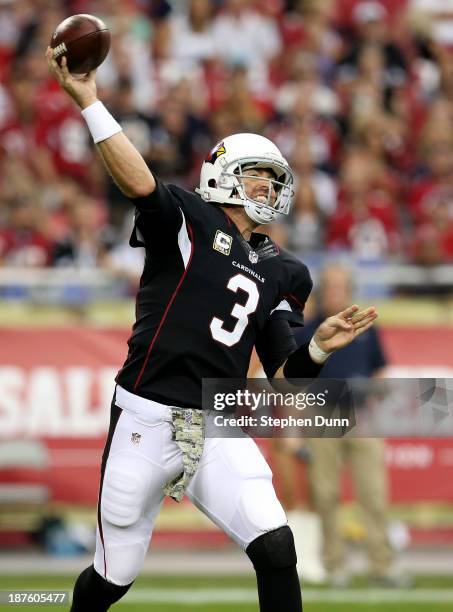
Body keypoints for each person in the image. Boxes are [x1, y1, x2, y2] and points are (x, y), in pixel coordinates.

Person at [46, 47, 378, 612]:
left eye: (276, 180)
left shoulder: (284, 270)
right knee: (113, 578)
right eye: (258, 176)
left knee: (277, 547)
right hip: (145, 415)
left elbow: (285, 371)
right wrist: (91, 103)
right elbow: (140, 183)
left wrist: (319, 346)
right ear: (224, 174)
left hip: (216, 418)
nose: (270, 189)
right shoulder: (189, 218)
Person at [295, 264, 408, 587]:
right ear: (321, 292)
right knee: (326, 494)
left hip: (361, 417)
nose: (336, 292)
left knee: (374, 493)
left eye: (341, 287)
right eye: (330, 287)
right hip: (322, 414)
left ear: (350, 291)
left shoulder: (367, 329)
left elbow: (380, 371)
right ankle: (335, 566)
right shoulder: (308, 331)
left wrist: (378, 402)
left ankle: (382, 566)